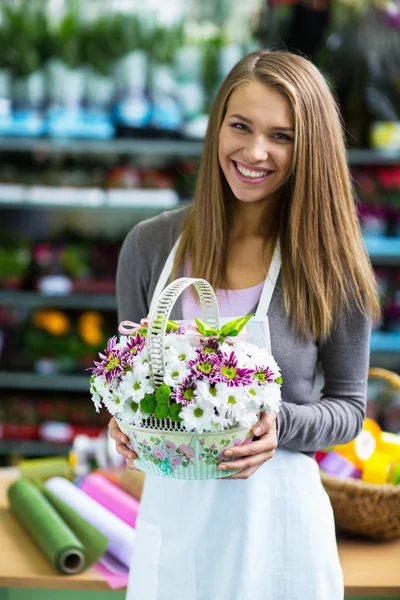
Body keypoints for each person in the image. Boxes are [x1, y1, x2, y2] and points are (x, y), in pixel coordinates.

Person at [109, 49, 379, 600]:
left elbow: (350, 409)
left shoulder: (331, 264)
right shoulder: (150, 247)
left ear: (311, 150)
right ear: (217, 127)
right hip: (176, 533)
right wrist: (125, 421)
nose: (255, 152)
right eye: (241, 126)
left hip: (280, 537)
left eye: (282, 136)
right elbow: (133, 378)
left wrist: (279, 425)